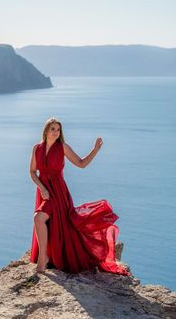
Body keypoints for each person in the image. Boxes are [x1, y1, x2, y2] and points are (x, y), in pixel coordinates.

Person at [30, 117, 129, 275]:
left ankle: (44, 258)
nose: (56, 132)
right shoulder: (37, 148)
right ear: (46, 130)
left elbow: (81, 163)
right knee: (42, 219)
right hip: (44, 192)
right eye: (53, 129)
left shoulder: (62, 147)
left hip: (59, 193)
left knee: (38, 218)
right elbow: (32, 172)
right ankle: (45, 255)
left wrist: (95, 150)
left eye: (58, 129)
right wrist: (41, 188)